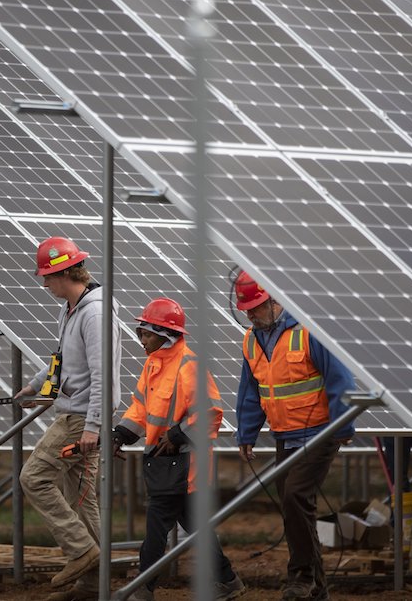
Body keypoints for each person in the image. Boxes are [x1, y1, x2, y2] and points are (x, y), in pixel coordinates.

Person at [112, 297, 246, 601]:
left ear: (166, 333)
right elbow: (141, 409)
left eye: (146, 333)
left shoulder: (189, 365)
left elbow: (211, 411)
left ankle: (142, 588)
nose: (141, 339)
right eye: (141, 333)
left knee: (156, 527)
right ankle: (227, 580)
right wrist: (120, 434)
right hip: (164, 464)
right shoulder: (153, 364)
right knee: (196, 526)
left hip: (184, 465)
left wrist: (176, 436)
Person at [234, 270, 355, 601]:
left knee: (295, 498)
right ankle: (317, 589)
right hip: (284, 436)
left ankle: (300, 577)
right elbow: (250, 391)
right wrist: (246, 432)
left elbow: (340, 379)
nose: (250, 314)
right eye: (246, 308)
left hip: (319, 432)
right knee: (295, 508)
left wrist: (343, 426)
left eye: (256, 307)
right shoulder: (252, 340)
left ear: (274, 301)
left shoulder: (308, 332)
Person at [13, 236, 123, 601]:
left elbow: (101, 374)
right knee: (81, 499)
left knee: (34, 478)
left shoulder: (94, 313)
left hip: (80, 419)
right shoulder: (72, 309)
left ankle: (80, 550)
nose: (44, 284)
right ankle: (93, 586)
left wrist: (92, 426)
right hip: (77, 412)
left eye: (47, 276)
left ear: (64, 273)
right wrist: (36, 386)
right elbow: (64, 360)